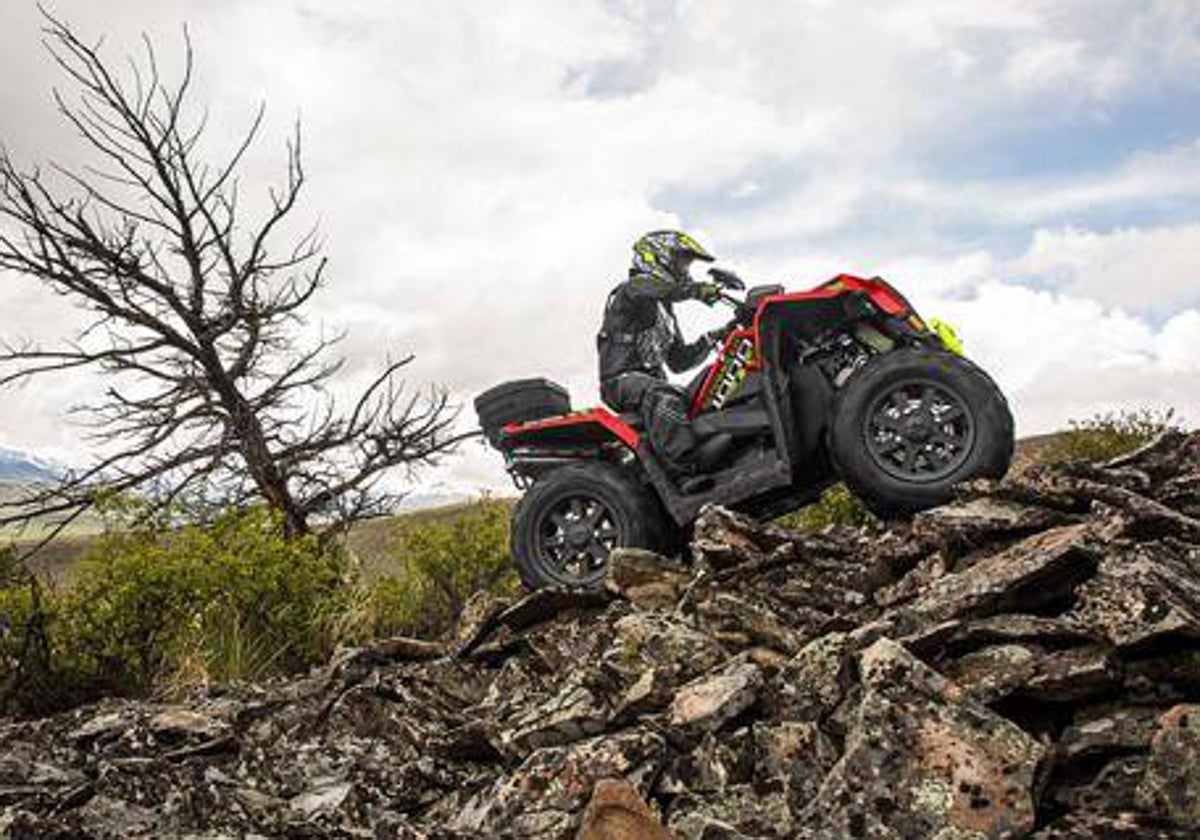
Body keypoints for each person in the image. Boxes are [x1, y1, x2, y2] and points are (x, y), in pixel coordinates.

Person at [597, 230, 732, 478]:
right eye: (681, 261)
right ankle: (683, 467)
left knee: (703, 391)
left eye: (687, 263)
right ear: (657, 257)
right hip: (621, 380)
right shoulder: (631, 290)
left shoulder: (666, 311)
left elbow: (679, 361)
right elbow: (658, 290)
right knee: (662, 394)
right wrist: (696, 291)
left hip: (650, 380)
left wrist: (717, 336)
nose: (685, 269)